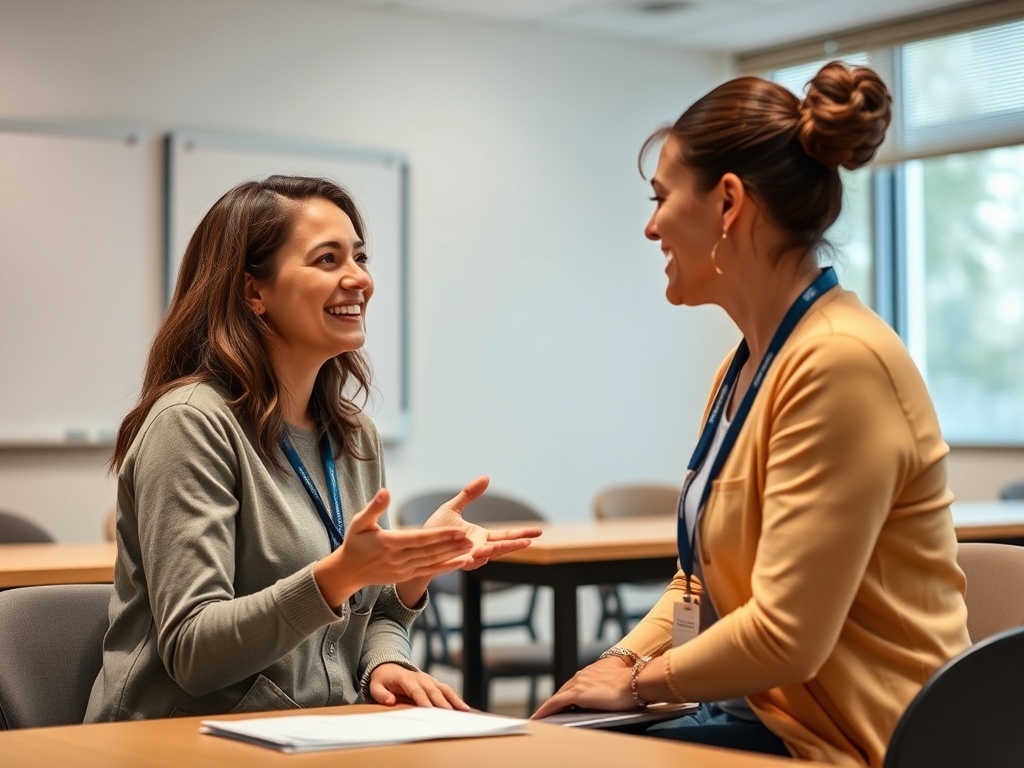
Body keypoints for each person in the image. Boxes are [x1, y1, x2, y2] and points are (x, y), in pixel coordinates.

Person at [532, 62, 970, 766]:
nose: (650, 228)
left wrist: (643, 686)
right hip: (762, 723)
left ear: (728, 203)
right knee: (552, 741)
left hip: (848, 743)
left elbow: (786, 636)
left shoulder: (838, 363)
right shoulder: (748, 366)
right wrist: (617, 662)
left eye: (661, 198)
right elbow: (700, 583)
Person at [86, 175, 540, 722]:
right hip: (178, 741)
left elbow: (372, 619)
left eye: (360, 257)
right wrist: (338, 575)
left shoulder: (352, 437)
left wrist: (388, 650)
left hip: (314, 733)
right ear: (254, 292)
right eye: (328, 259)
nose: (360, 280)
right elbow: (193, 652)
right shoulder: (191, 424)